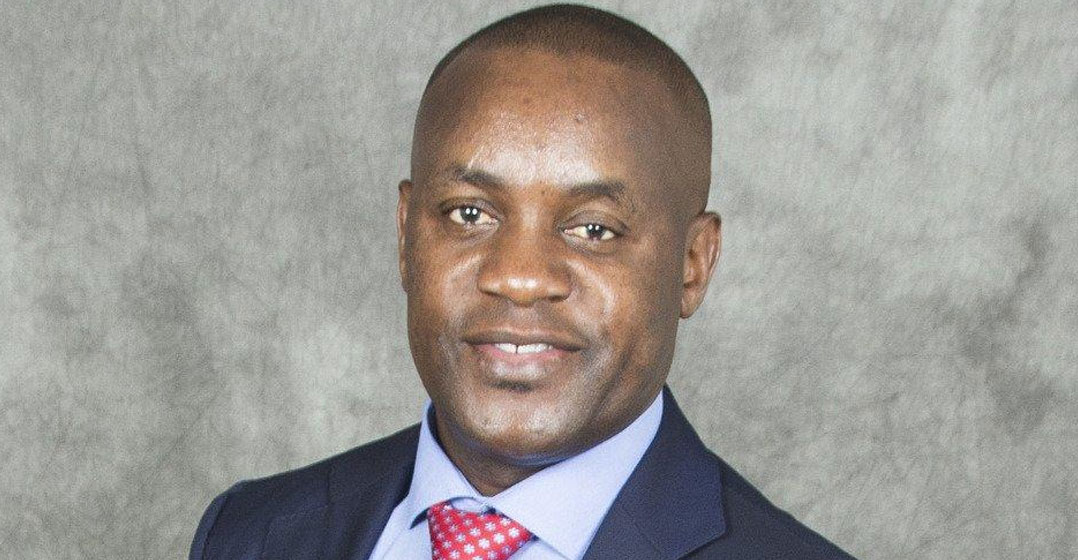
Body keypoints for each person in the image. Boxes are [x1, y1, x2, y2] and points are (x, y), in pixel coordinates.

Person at [189, 4, 855, 559]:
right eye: (469, 214)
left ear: (693, 264)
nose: (519, 278)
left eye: (593, 229)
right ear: (406, 234)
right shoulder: (250, 535)